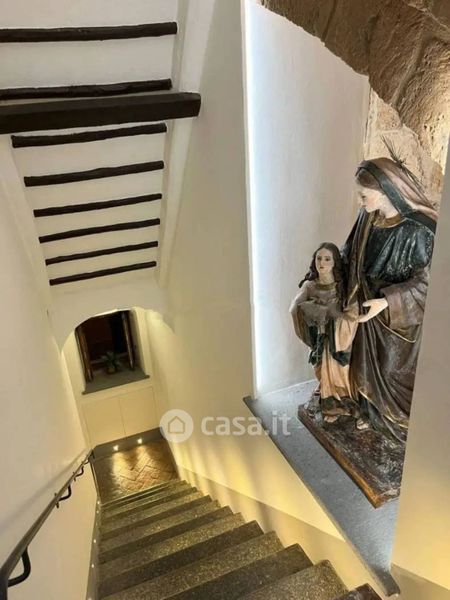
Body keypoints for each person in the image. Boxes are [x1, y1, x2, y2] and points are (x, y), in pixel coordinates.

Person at [343, 152, 438, 442]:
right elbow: (350, 253)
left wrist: (387, 301)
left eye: (364, 195)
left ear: (386, 191)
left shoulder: (419, 230)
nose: (360, 201)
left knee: (389, 368)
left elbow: (429, 283)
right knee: (363, 366)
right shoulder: (368, 218)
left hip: (399, 321)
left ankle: (395, 423)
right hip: (367, 308)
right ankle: (371, 415)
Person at [290, 243, 359, 423]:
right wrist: (315, 312)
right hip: (320, 337)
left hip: (338, 339)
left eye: (327, 259)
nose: (322, 263)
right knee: (320, 368)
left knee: (339, 372)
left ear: (335, 262)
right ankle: (326, 397)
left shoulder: (342, 287)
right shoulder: (310, 286)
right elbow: (295, 308)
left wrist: (336, 318)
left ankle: (339, 403)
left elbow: (353, 312)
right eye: (319, 258)